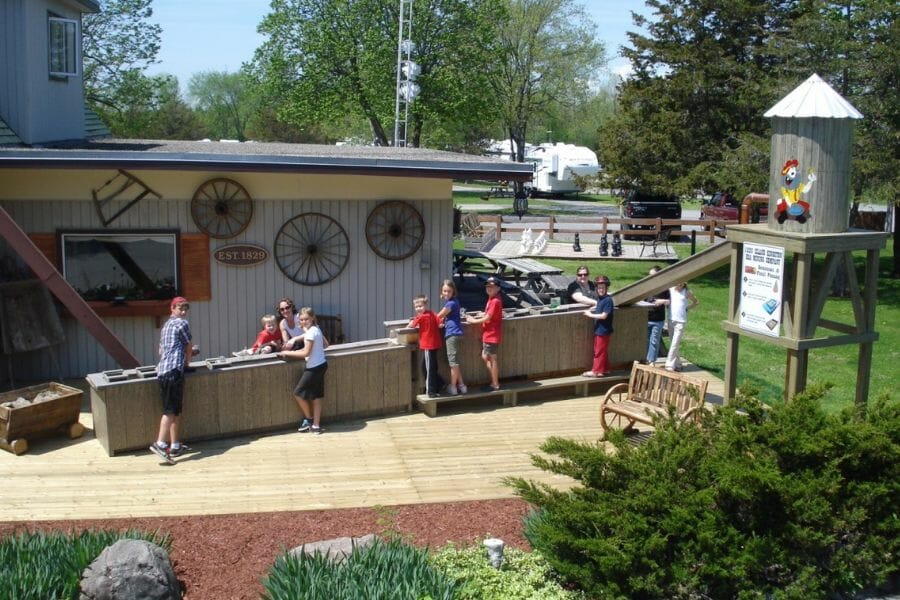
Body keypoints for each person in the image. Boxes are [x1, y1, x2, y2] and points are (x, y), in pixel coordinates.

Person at [149, 296, 198, 461]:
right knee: (170, 411)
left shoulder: (166, 326)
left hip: (162, 371)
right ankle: (160, 444)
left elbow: (161, 351)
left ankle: (175, 445)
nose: (183, 312)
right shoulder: (182, 323)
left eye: (185, 309)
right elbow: (188, 345)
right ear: (172, 308)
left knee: (175, 410)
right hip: (173, 371)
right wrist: (188, 361)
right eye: (180, 308)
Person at [279, 307, 328, 434]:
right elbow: (326, 345)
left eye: (306, 319)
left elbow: (306, 352)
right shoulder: (315, 329)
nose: (304, 321)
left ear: (312, 318)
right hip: (321, 364)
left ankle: (309, 419)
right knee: (316, 397)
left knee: (298, 393)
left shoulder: (311, 333)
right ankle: (316, 426)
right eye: (301, 319)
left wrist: (287, 353)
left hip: (314, 368)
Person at [466, 276, 502, 391]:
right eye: (487, 286)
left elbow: (488, 318)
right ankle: (494, 381)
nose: (489, 288)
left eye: (492, 286)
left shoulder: (495, 300)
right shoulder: (492, 299)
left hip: (491, 334)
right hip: (489, 334)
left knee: (492, 358)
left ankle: (495, 384)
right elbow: (489, 315)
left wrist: (473, 321)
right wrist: (482, 314)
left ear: (498, 288)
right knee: (486, 357)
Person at [408, 294, 445, 398]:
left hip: (428, 345)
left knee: (428, 369)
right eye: (416, 307)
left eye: (420, 306)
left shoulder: (421, 316)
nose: (418, 308)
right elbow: (440, 322)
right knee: (429, 367)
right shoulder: (432, 314)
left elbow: (412, 325)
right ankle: (440, 383)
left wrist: (410, 322)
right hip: (434, 344)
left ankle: (431, 391)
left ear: (425, 305)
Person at [435, 279, 467, 395]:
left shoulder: (450, 303)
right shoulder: (455, 301)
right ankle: (462, 386)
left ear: (453, 291)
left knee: (453, 362)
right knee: (455, 361)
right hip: (456, 332)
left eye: (449, 291)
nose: (446, 293)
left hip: (452, 333)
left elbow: (438, 316)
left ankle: (453, 387)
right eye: (444, 291)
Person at [582, 275, 614, 377]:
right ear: (596, 288)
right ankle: (605, 369)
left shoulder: (608, 300)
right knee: (601, 350)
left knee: (599, 351)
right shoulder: (601, 299)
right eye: (599, 288)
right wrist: (593, 309)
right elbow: (599, 307)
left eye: (603, 288)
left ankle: (596, 371)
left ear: (607, 288)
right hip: (599, 329)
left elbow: (604, 316)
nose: (601, 290)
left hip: (603, 330)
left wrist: (590, 315)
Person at [665, 282, 699, 372]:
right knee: (673, 342)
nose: (679, 286)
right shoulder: (670, 289)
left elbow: (696, 302)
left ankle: (669, 364)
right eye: (677, 284)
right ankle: (678, 364)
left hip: (681, 321)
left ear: (684, 284)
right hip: (670, 319)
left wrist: (687, 308)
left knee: (675, 343)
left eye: (681, 285)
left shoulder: (687, 292)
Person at [644, 266, 670, 364]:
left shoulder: (664, 287)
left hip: (658, 319)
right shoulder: (646, 286)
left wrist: (662, 301)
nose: (651, 277)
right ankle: (645, 359)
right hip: (646, 318)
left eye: (653, 275)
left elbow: (670, 301)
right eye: (649, 275)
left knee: (654, 340)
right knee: (646, 340)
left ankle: (651, 361)